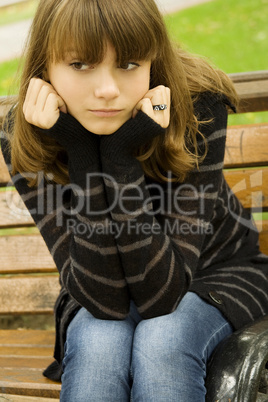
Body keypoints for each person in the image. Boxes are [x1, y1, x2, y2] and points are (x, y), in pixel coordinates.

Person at [1, 0, 268, 400]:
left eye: (127, 65)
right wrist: (81, 148)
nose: (107, 90)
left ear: (152, 63)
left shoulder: (197, 107)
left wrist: (120, 156)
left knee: (164, 338)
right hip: (94, 277)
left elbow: (162, 297)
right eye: (80, 65)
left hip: (217, 273)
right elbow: (103, 301)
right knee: (99, 344)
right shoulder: (27, 131)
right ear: (45, 67)